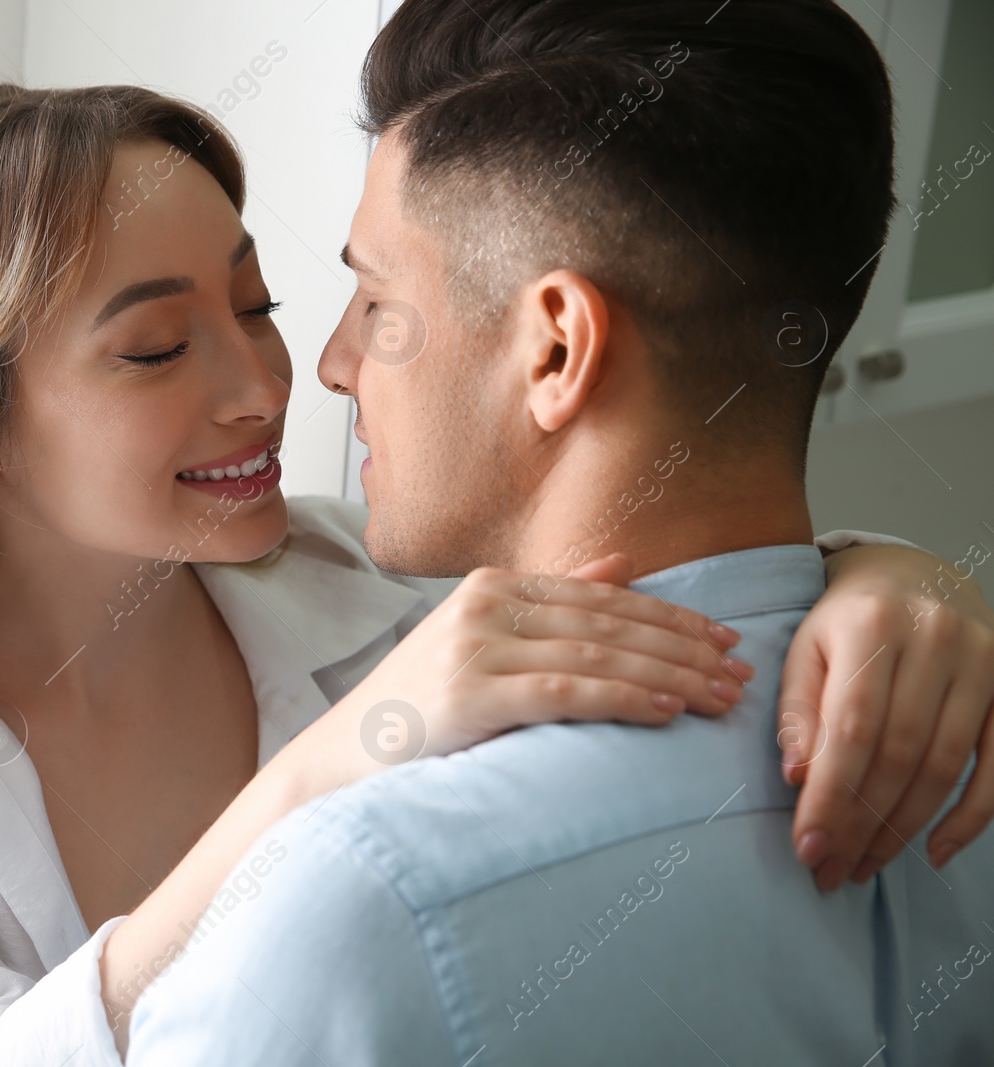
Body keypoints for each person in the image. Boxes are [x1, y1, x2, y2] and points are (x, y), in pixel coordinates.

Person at [0, 80, 994, 1066]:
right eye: (159, 348)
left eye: (258, 305)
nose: (269, 383)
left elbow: (689, 559)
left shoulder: (345, 569)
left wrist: (893, 577)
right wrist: (322, 768)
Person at [124, 2, 994, 1065]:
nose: (335, 364)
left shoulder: (358, 908)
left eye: (373, 297)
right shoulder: (965, 734)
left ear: (553, 352)